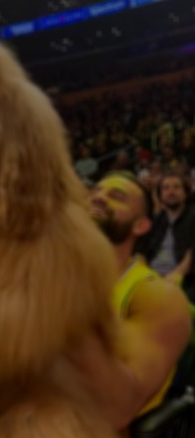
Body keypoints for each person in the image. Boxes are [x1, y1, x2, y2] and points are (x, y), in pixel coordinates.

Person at [89, 171, 192, 423]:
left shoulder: (157, 296)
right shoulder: (60, 277)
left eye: (117, 196)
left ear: (141, 225)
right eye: (95, 192)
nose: (99, 198)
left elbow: (118, 407)